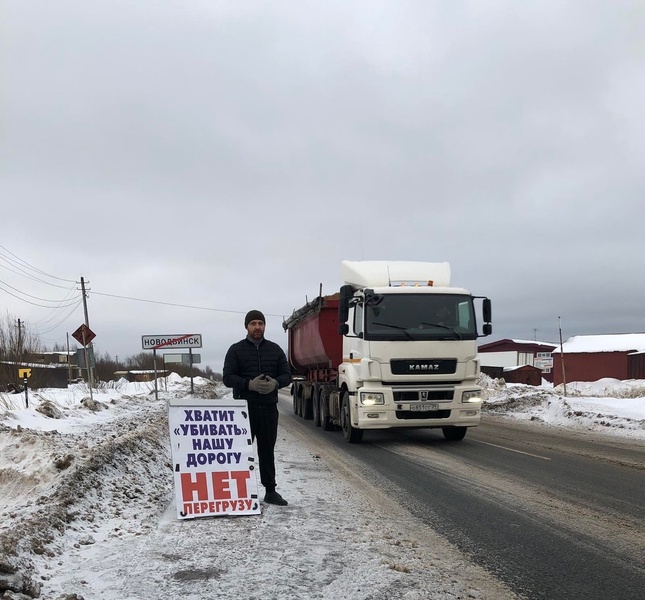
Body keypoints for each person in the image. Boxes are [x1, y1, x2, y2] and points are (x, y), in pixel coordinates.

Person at [222, 309, 292, 506]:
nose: (257, 327)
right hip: (244, 410)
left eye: (260, 323)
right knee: (241, 451)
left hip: (269, 409)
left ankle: (270, 491)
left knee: (267, 450)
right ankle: (239, 491)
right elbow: (227, 377)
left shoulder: (275, 350)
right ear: (246, 327)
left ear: (264, 326)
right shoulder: (235, 350)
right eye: (253, 323)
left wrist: (276, 383)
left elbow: (287, 375)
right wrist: (248, 384)